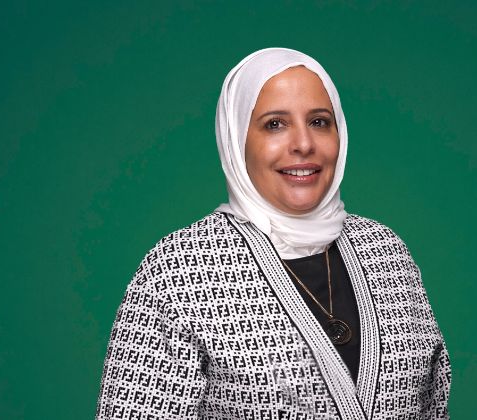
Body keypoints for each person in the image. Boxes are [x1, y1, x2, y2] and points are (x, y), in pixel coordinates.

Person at [96, 48, 451, 419]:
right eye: (275, 124)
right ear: (237, 139)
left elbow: (433, 406)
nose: (303, 144)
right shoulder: (180, 269)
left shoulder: (384, 251)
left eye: (319, 121)